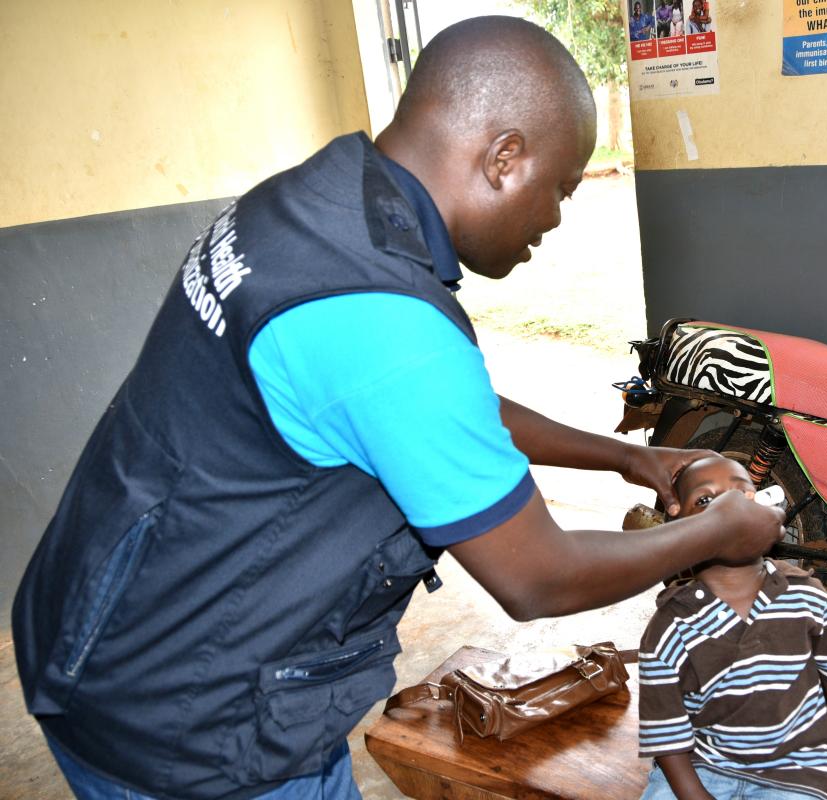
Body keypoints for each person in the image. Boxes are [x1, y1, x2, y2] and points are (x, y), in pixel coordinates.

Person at [12, 16, 785, 800]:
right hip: (192, 723)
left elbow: (422, 405)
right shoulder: (383, 319)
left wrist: (627, 454)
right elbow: (539, 578)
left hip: (97, 632)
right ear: (504, 157)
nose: (554, 220)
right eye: (561, 188)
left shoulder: (315, 204)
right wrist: (717, 529)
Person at [638, 457, 827, 800]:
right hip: (702, 764)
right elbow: (666, 733)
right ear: (679, 524)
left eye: (742, 494)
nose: (729, 509)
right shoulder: (670, 625)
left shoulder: (806, 596)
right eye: (705, 500)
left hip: (797, 766)